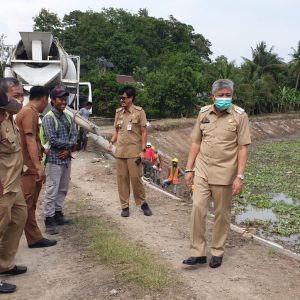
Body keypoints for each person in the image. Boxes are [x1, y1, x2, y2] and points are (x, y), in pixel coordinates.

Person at [182, 79, 251, 268]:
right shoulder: (204, 113)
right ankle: (198, 253)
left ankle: (217, 251)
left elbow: (242, 147)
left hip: (225, 172)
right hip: (203, 169)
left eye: (228, 95)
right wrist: (189, 169)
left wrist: (240, 176)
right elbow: (196, 142)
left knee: (222, 214)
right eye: (221, 95)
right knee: (198, 207)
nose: (224, 98)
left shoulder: (240, 116)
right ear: (213, 96)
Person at [16, 86, 57, 248]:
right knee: (25, 204)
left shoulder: (26, 112)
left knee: (30, 204)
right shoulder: (30, 113)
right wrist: (37, 167)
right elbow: (30, 139)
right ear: (44, 99)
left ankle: (34, 237)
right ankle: (28, 238)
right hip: (28, 167)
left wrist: (42, 150)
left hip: (28, 164)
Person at [107, 85, 152, 217]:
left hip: (134, 152)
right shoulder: (118, 112)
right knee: (122, 180)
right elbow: (117, 131)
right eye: (120, 98)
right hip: (120, 152)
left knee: (136, 179)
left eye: (124, 98)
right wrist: (111, 142)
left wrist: (143, 150)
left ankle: (142, 203)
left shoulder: (139, 112)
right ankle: (125, 206)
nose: (122, 100)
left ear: (131, 98)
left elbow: (144, 132)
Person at [0, 78, 27, 294]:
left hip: (13, 182)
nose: (19, 98)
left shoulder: (9, 117)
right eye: (14, 94)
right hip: (2, 186)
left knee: (19, 218)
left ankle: (4, 265)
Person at [41, 86, 77, 234]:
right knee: (52, 189)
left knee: (63, 188)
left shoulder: (68, 116)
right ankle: (49, 219)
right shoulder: (49, 117)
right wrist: (69, 145)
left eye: (65, 99)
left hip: (66, 159)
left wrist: (68, 150)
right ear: (53, 100)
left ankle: (58, 213)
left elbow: (74, 135)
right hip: (54, 160)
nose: (64, 101)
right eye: (60, 99)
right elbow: (52, 140)